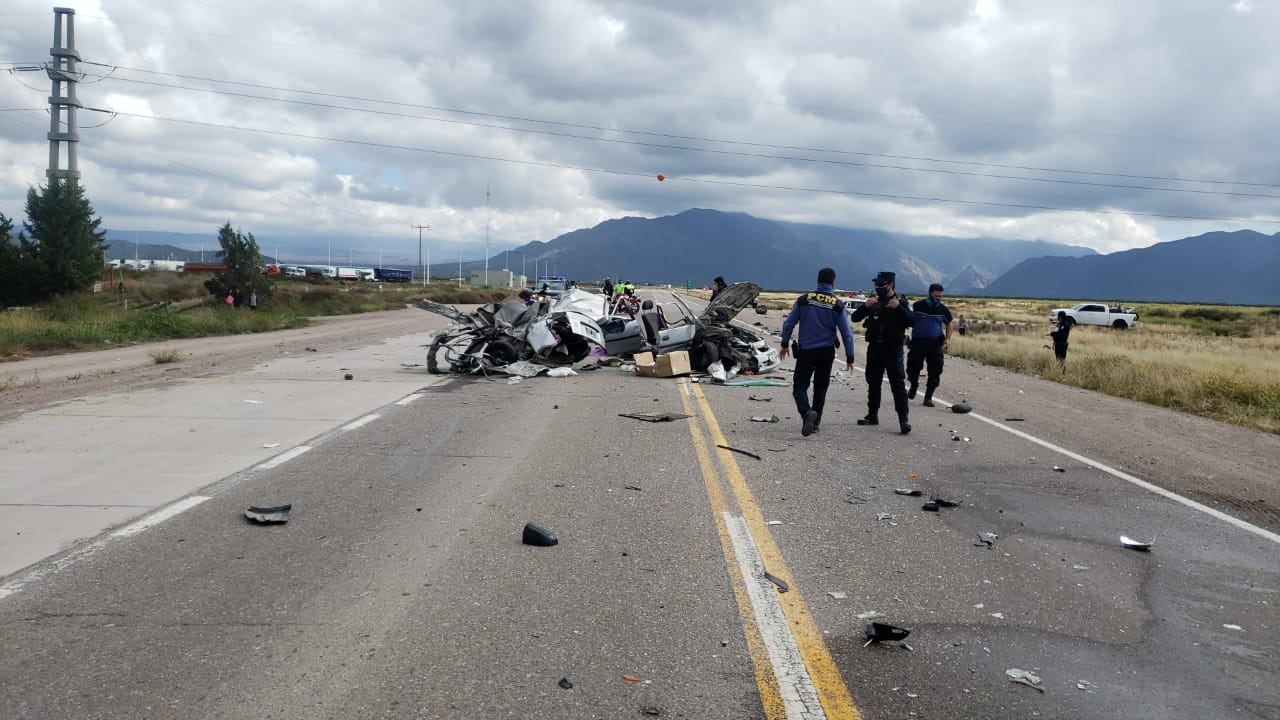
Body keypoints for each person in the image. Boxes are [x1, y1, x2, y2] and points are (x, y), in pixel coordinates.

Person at [780, 268, 856, 437]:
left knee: (800, 386)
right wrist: (850, 357)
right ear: (833, 283)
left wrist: (784, 343)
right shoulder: (837, 304)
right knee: (821, 387)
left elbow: (788, 324)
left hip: (806, 350)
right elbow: (847, 333)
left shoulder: (804, 300)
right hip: (826, 352)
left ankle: (807, 413)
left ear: (818, 281)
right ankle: (815, 423)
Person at [850, 271, 915, 434]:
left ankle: (903, 420)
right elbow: (855, 318)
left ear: (891, 285)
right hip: (875, 348)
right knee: (873, 382)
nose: (878, 287)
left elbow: (912, 321)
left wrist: (898, 308)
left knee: (898, 385)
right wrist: (865, 306)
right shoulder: (874, 303)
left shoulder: (901, 302)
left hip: (893, 349)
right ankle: (872, 415)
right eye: (876, 285)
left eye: (881, 285)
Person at [906, 283, 953, 407]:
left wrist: (948, 339)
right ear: (930, 293)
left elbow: (949, 323)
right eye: (936, 296)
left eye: (940, 296)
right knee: (912, 366)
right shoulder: (917, 306)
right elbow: (907, 317)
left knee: (935, 370)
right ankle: (914, 385)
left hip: (935, 343)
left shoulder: (942, 309)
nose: (938, 298)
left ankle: (928, 397)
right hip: (918, 342)